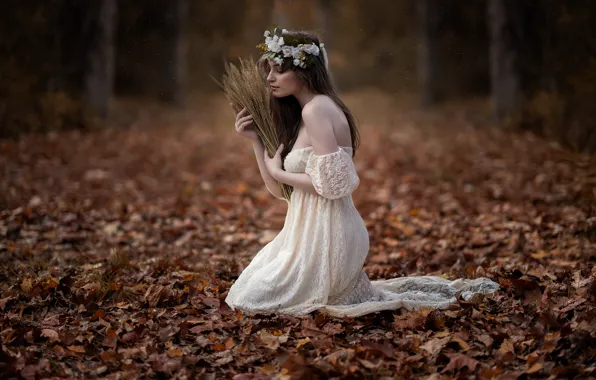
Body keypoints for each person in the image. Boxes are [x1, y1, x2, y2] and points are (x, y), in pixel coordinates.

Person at [224, 27, 499, 318]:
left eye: (278, 71)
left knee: (253, 298)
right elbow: (282, 193)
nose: (269, 78)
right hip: (306, 231)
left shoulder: (315, 111)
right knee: (249, 290)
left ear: (304, 72)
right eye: (269, 71)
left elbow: (333, 185)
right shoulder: (305, 114)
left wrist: (280, 173)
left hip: (330, 234)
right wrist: (257, 142)